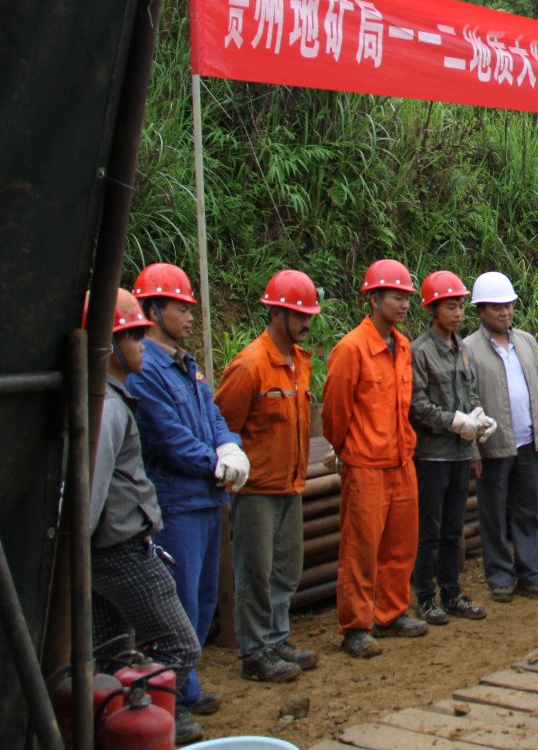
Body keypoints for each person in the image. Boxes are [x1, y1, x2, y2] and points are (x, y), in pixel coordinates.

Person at [127, 262, 247, 726]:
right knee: (174, 606)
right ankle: (169, 702)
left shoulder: (187, 365)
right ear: (153, 311)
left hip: (207, 500)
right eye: (182, 308)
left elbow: (212, 415)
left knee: (201, 598)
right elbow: (166, 435)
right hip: (175, 504)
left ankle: (185, 687)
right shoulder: (145, 369)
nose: (191, 317)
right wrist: (213, 463)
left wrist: (228, 445)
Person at [88, 288, 204, 746]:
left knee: (112, 652)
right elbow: (91, 490)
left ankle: (113, 729)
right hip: (119, 547)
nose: (141, 345)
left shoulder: (112, 399)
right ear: (108, 347)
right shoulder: (109, 409)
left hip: (107, 547)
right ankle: (149, 719)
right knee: (180, 644)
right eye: (132, 337)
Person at [213, 270, 322, 683]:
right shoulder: (249, 365)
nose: (307, 323)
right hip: (256, 490)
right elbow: (222, 425)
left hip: (290, 485)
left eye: (309, 315)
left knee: (286, 569)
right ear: (277, 314)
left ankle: (277, 639)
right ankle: (255, 652)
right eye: (300, 315)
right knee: (255, 572)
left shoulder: (298, 363)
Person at [322, 259, 428, 658]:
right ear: (374, 298)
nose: (404, 304)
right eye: (396, 297)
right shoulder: (351, 348)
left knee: (401, 545)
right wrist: (349, 451)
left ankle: (392, 612)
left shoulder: (402, 346)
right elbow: (335, 413)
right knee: (360, 549)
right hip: (366, 465)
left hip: (401, 461)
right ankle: (356, 625)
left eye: (406, 297)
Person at [463, 271, 538, 603]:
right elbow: (468, 403)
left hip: (528, 444)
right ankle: (500, 577)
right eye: (496, 307)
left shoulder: (527, 342)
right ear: (480, 311)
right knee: (492, 514)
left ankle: (531, 574)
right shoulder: (469, 349)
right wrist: (474, 452)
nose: (505, 312)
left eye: (508, 306)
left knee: (528, 511)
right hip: (493, 447)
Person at [408, 270, 488, 624]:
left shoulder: (463, 350)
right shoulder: (420, 352)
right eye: (450, 307)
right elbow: (417, 405)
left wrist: (478, 422)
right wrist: (454, 422)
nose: (457, 313)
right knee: (429, 529)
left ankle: (452, 593)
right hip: (431, 456)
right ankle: (425, 597)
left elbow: (471, 396)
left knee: (453, 528)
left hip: (459, 455)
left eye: (460, 306)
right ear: (432, 309)